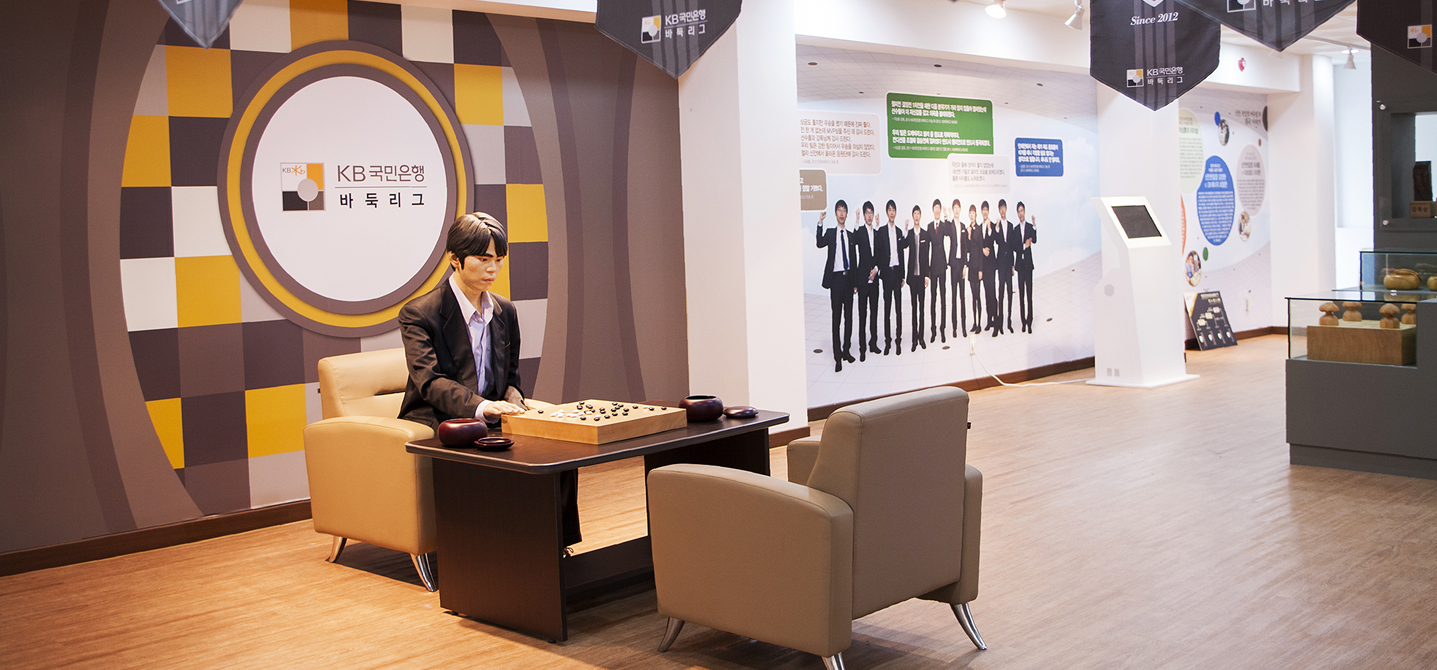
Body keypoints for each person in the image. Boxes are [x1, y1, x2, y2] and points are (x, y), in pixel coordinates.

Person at [398, 212, 581, 547]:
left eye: (498, 260)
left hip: (493, 415)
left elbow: (510, 378)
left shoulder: (504, 311)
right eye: (483, 260)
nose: (492, 269)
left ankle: (555, 546)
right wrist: (483, 408)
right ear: (455, 259)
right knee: (487, 450)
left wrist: (513, 402)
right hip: (441, 417)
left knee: (560, 449)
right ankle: (490, 551)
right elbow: (430, 382)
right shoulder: (420, 313)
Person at [817, 201, 855, 372]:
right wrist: (820, 222)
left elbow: (854, 260)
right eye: (839, 210)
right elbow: (819, 243)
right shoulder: (831, 233)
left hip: (849, 280)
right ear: (835, 213)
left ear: (846, 214)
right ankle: (837, 356)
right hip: (836, 281)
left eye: (844, 210)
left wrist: (855, 283)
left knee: (849, 318)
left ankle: (846, 351)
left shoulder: (850, 235)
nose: (841, 213)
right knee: (836, 319)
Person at [873, 200, 907, 355]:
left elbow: (902, 255)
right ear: (887, 212)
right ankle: (888, 342)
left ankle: (898, 341)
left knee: (898, 310)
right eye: (890, 210)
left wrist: (903, 276)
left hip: (897, 275)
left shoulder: (899, 232)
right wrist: (876, 225)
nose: (892, 212)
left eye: (894, 210)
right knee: (887, 310)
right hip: (887, 275)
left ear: (896, 212)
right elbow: (879, 253)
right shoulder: (881, 231)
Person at [853, 201, 881, 362]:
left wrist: (876, 269)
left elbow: (880, 254)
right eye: (867, 213)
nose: (869, 216)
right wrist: (856, 221)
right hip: (863, 281)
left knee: (874, 313)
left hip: (875, 280)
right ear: (864, 215)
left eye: (871, 213)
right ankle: (862, 348)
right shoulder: (860, 231)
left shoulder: (876, 233)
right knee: (862, 315)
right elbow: (854, 241)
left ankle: (873, 344)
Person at [904, 204, 930, 352]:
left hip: (921, 277)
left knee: (921, 308)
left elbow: (926, 257)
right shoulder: (909, 234)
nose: (916, 216)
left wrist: (927, 275)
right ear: (912, 216)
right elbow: (902, 245)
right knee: (914, 308)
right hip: (912, 277)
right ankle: (914, 339)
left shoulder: (925, 234)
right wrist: (905, 229)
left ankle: (921, 338)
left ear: (920, 216)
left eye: (918, 213)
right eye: (914, 213)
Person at [927, 199, 948, 344]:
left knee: (943, 298)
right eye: (935, 207)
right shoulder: (929, 226)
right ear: (932, 209)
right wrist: (927, 270)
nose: (937, 210)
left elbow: (948, 232)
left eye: (938, 208)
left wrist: (946, 216)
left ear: (940, 210)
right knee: (933, 299)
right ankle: (933, 330)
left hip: (942, 265)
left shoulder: (943, 225)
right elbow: (927, 248)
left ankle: (942, 329)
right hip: (933, 266)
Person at [998, 199, 1020, 334]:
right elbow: (996, 241)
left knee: (1010, 294)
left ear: (1006, 208)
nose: (1002, 210)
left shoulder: (1011, 226)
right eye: (1000, 208)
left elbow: (1012, 247)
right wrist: (996, 228)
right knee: (1000, 294)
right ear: (999, 210)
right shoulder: (997, 225)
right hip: (1000, 265)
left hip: (1008, 265)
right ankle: (1000, 324)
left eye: (1003, 208)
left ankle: (1009, 321)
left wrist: (1013, 266)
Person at [1016, 202, 1038, 333]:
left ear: (1024, 211)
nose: (1020, 213)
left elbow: (1034, 240)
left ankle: (1030, 322)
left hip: (1028, 266)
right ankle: (1023, 322)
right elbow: (1015, 246)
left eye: (1022, 211)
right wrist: (1024, 246)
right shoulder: (1015, 230)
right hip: (1020, 267)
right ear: (1017, 213)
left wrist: (1034, 225)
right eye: (1018, 211)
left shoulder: (1029, 227)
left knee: (1029, 295)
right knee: (1021, 296)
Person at [980, 201, 1000, 338]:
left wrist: (992, 230)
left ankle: (996, 322)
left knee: (992, 293)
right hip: (983, 266)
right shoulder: (979, 226)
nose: (985, 212)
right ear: (981, 211)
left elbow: (996, 240)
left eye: (987, 209)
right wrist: (982, 250)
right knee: (986, 293)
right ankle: (989, 320)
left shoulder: (992, 225)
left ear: (989, 211)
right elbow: (977, 245)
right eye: (983, 209)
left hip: (991, 265)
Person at [947, 198, 966, 337]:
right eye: (955, 207)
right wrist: (946, 216)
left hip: (962, 264)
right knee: (953, 297)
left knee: (962, 297)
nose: (957, 210)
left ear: (960, 209)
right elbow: (945, 230)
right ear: (953, 210)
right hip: (954, 264)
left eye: (958, 207)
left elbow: (965, 247)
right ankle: (954, 327)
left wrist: (965, 265)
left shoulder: (964, 226)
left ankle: (964, 327)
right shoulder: (951, 225)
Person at [965, 204, 983, 334]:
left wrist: (981, 269)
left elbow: (980, 248)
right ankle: (974, 322)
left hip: (978, 267)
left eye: (973, 213)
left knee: (978, 295)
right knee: (973, 296)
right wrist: (969, 236)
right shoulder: (968, 229)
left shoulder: (980, 229)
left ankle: (979, 324)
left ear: (976, 214)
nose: (972, 215)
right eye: (970, 213)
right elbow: (967, 249)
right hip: (971, 267)